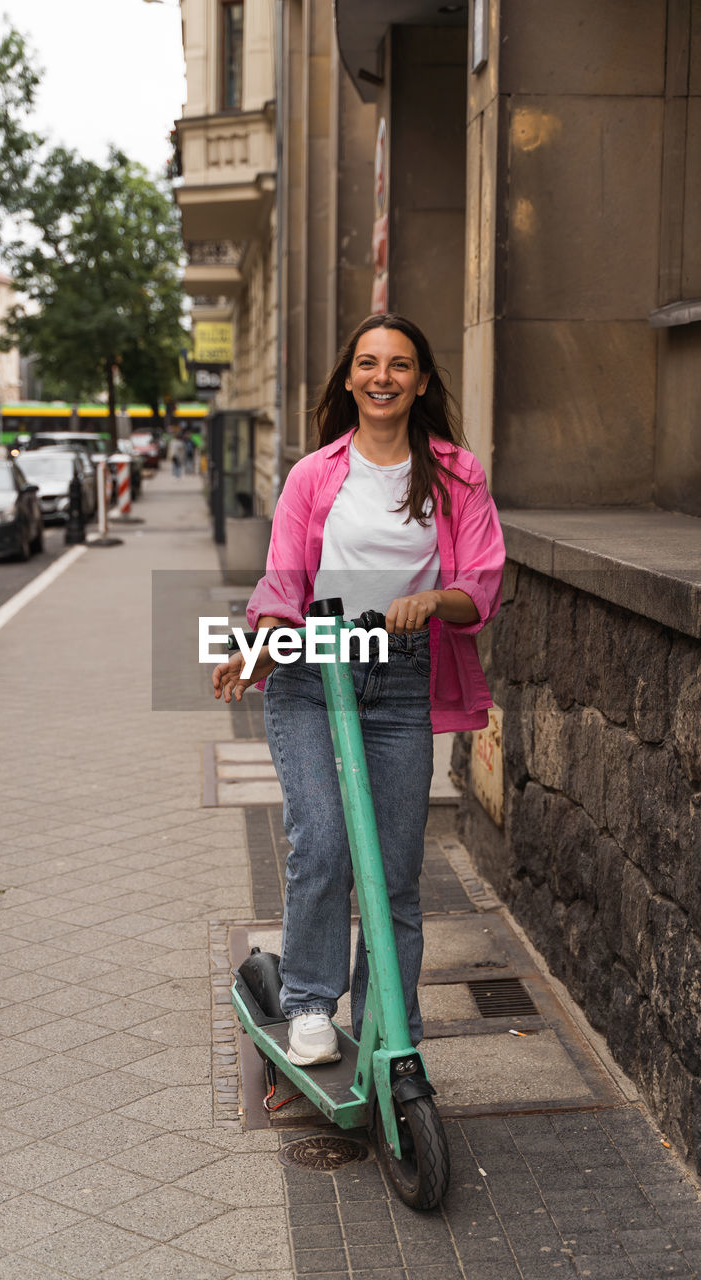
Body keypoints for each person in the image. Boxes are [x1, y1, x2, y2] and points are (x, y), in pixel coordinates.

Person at [212, 313, 505, 1066]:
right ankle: (310, 1000)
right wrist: (256, 649)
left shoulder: (456, 473)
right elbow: (283, 582)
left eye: (399, 364)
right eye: (368, 363)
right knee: (324, 844)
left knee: (397, 867)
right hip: (313, 677)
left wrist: (433, 600)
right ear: (348, 378)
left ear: (421, 380)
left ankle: (388, 1022)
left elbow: (479, 584)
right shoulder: (314, 474)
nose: (382, 377)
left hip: (401, 681)